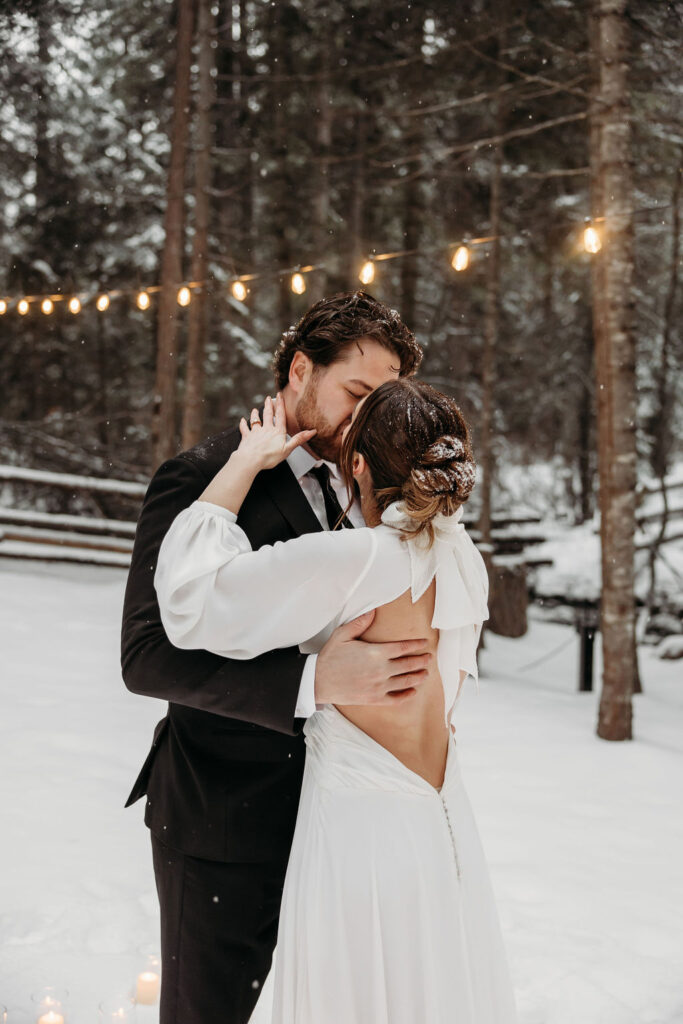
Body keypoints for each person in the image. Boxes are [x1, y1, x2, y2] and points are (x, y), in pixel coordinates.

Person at [154, 380, 518, 1024]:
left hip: (362, 839)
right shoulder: (464, 558)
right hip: (440, 829)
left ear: (356, 464)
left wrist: (243, 463)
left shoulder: (357, 558)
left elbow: (188, 599)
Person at [120, 291, 427, 1024]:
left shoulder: (362, 488)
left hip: (332, 817)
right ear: (299, 368)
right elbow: (147, 657)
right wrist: (311, 681)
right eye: (355, 393)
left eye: (379, 403)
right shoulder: (200, 476)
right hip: (223, 816)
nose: (364, 420)